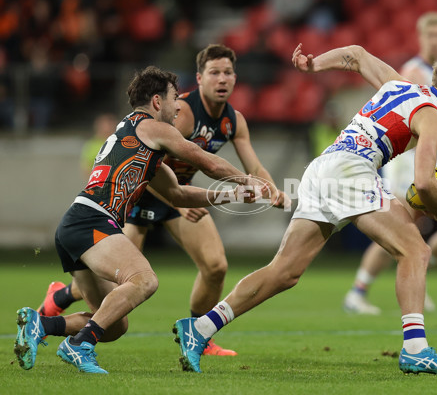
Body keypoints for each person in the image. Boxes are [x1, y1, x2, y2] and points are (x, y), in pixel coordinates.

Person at [171, 43, 437, 375]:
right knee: (415, 250)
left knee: (284, 272)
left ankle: (201, 328)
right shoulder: (434, 119)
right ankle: (416, 350)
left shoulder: (400, 86)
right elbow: (424, 183)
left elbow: (356, 54)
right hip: (352, 171)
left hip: (323, 167)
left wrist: (313, 65)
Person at [35, 44, 290, 357]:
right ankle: (68, 313)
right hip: (139, 198)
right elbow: (191, 164)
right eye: (214, 72)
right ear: (199, 78)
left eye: (227, 73)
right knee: (130, 283)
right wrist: (240, 184)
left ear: (236, 78)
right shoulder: (175, 118)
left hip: (168, 191)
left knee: (214, 266)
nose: (222, 79)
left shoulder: (232, 120)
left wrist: (264, 190)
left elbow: (184, 185)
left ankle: (198, 334)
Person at [343, 12, 437, 314]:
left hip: (431, 153)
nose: (435, 40)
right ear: (420, 38)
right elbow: (414, 114)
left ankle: (417, 275)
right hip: (406, 158)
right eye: (430, 35)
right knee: (397, 228)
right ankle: (358, 290)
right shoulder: (414, 71)